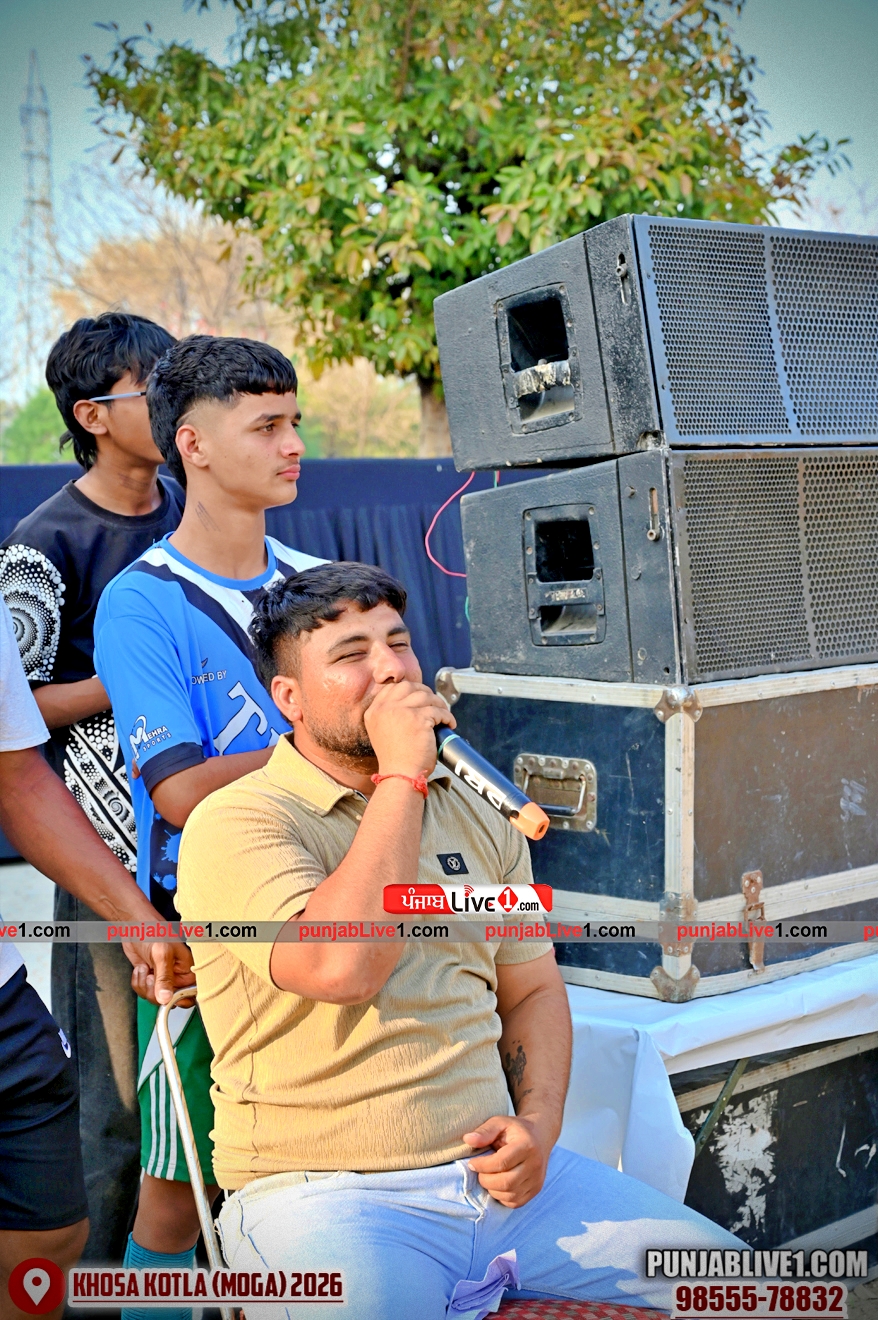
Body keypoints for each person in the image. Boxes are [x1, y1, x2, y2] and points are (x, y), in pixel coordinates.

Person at [174, 562, 741, 1319]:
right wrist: (401, 780)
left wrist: (539, 1127)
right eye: (351, 655)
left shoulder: (474, 809)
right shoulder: (239, 821)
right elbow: (343, 965)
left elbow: (531, 987)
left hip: (502, 1190)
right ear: (289, 699)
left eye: (399, 644)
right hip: (325, 1200)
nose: (390, 670)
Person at [92, 335, 324, 1316]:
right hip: (203, 941)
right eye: (266, 425)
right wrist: (330, 746)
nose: (292, 444)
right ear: (191, 444)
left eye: (295, 422)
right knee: (178, 1195)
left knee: (327, 1174)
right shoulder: (140, 602)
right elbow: (181, 791)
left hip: (331, 915)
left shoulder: (320, 580)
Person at [0, 312, 184, 1265]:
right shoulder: (44, 541)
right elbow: (19, 710)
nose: (177, 404)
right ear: (93, 416)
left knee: (216, 1088)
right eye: (153, 388)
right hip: (102, 850)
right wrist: (137, 676)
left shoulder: (197, 508)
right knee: (112, 1107)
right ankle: (97, 1293)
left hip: (215, 836)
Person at [0, 599, 194, 1320]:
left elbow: (17, 775)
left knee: (50, 1235)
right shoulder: (94, 570)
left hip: (10, 995)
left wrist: (137, 919)